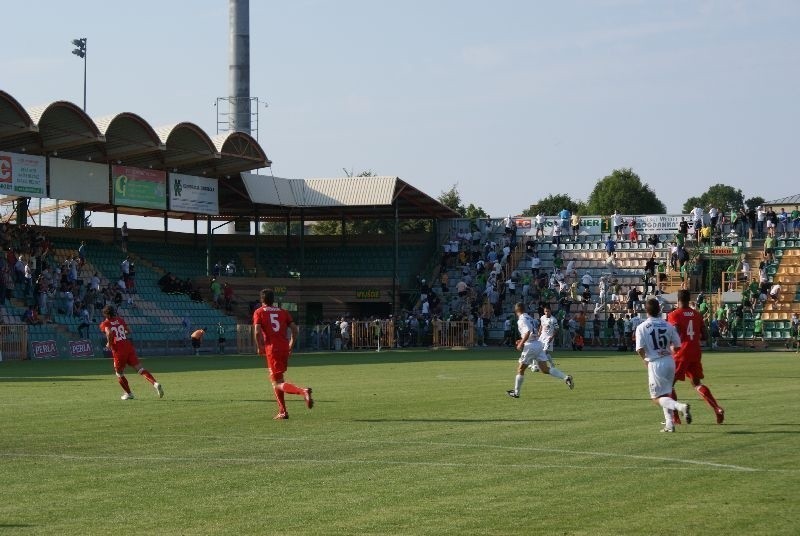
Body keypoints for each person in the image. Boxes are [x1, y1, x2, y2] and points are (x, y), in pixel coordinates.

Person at [667, 290, 725, 424]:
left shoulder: (673, 315)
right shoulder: (697, 315)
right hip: (695, 351)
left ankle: (675, 418)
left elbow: (675, 333)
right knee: (697, 383)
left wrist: (672, 345)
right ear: (689, 299)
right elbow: (705, 336)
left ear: (678, 300)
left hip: (681, 353)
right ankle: (717, 408)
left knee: (669, 385)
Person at [253, 288, 313, 420]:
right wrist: (291, 344)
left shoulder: (259, 312)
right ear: (273, 300)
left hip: (272, 349)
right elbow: (295, 330)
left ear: (261, 300)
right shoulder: (283, 312)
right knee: (278, 379)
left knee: (276, 383)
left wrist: (260, 347)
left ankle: (303, 391)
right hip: (284, 348)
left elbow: (257, 331)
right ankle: (283, 411)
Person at [634, 298, 692, 432]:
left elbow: (640, 349)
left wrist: (645, 360)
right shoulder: (668, 325)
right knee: (666, 393)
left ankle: (680, 407)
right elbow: (677, 346)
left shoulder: (642, 327)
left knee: (656, 398)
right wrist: (668, 350)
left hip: (655, 362)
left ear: (646, 311)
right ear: (659, 310)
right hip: (669, 361)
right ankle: (669, 424)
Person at [506, 302, 574, 398]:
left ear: (516, 311)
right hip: (538, 344)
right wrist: (522, 340)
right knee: (545, 369)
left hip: (530, 346)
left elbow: (527, 332)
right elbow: (533, 333)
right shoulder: (530, 318)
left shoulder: (521, 320)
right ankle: (566, 377)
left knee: (520, 369)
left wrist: (521, 343)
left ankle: (516, 393)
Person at [99, 305, 163, 400]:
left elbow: (109, 333)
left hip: (118, 350)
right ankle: (155, 383)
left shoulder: (105, 323)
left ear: (106, 314)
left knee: (119, 373)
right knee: (140, 369)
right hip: (128, 346)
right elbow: (128, 331)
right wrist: (120, 335)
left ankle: (129, 394)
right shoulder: (120, 320)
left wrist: (109, 343)